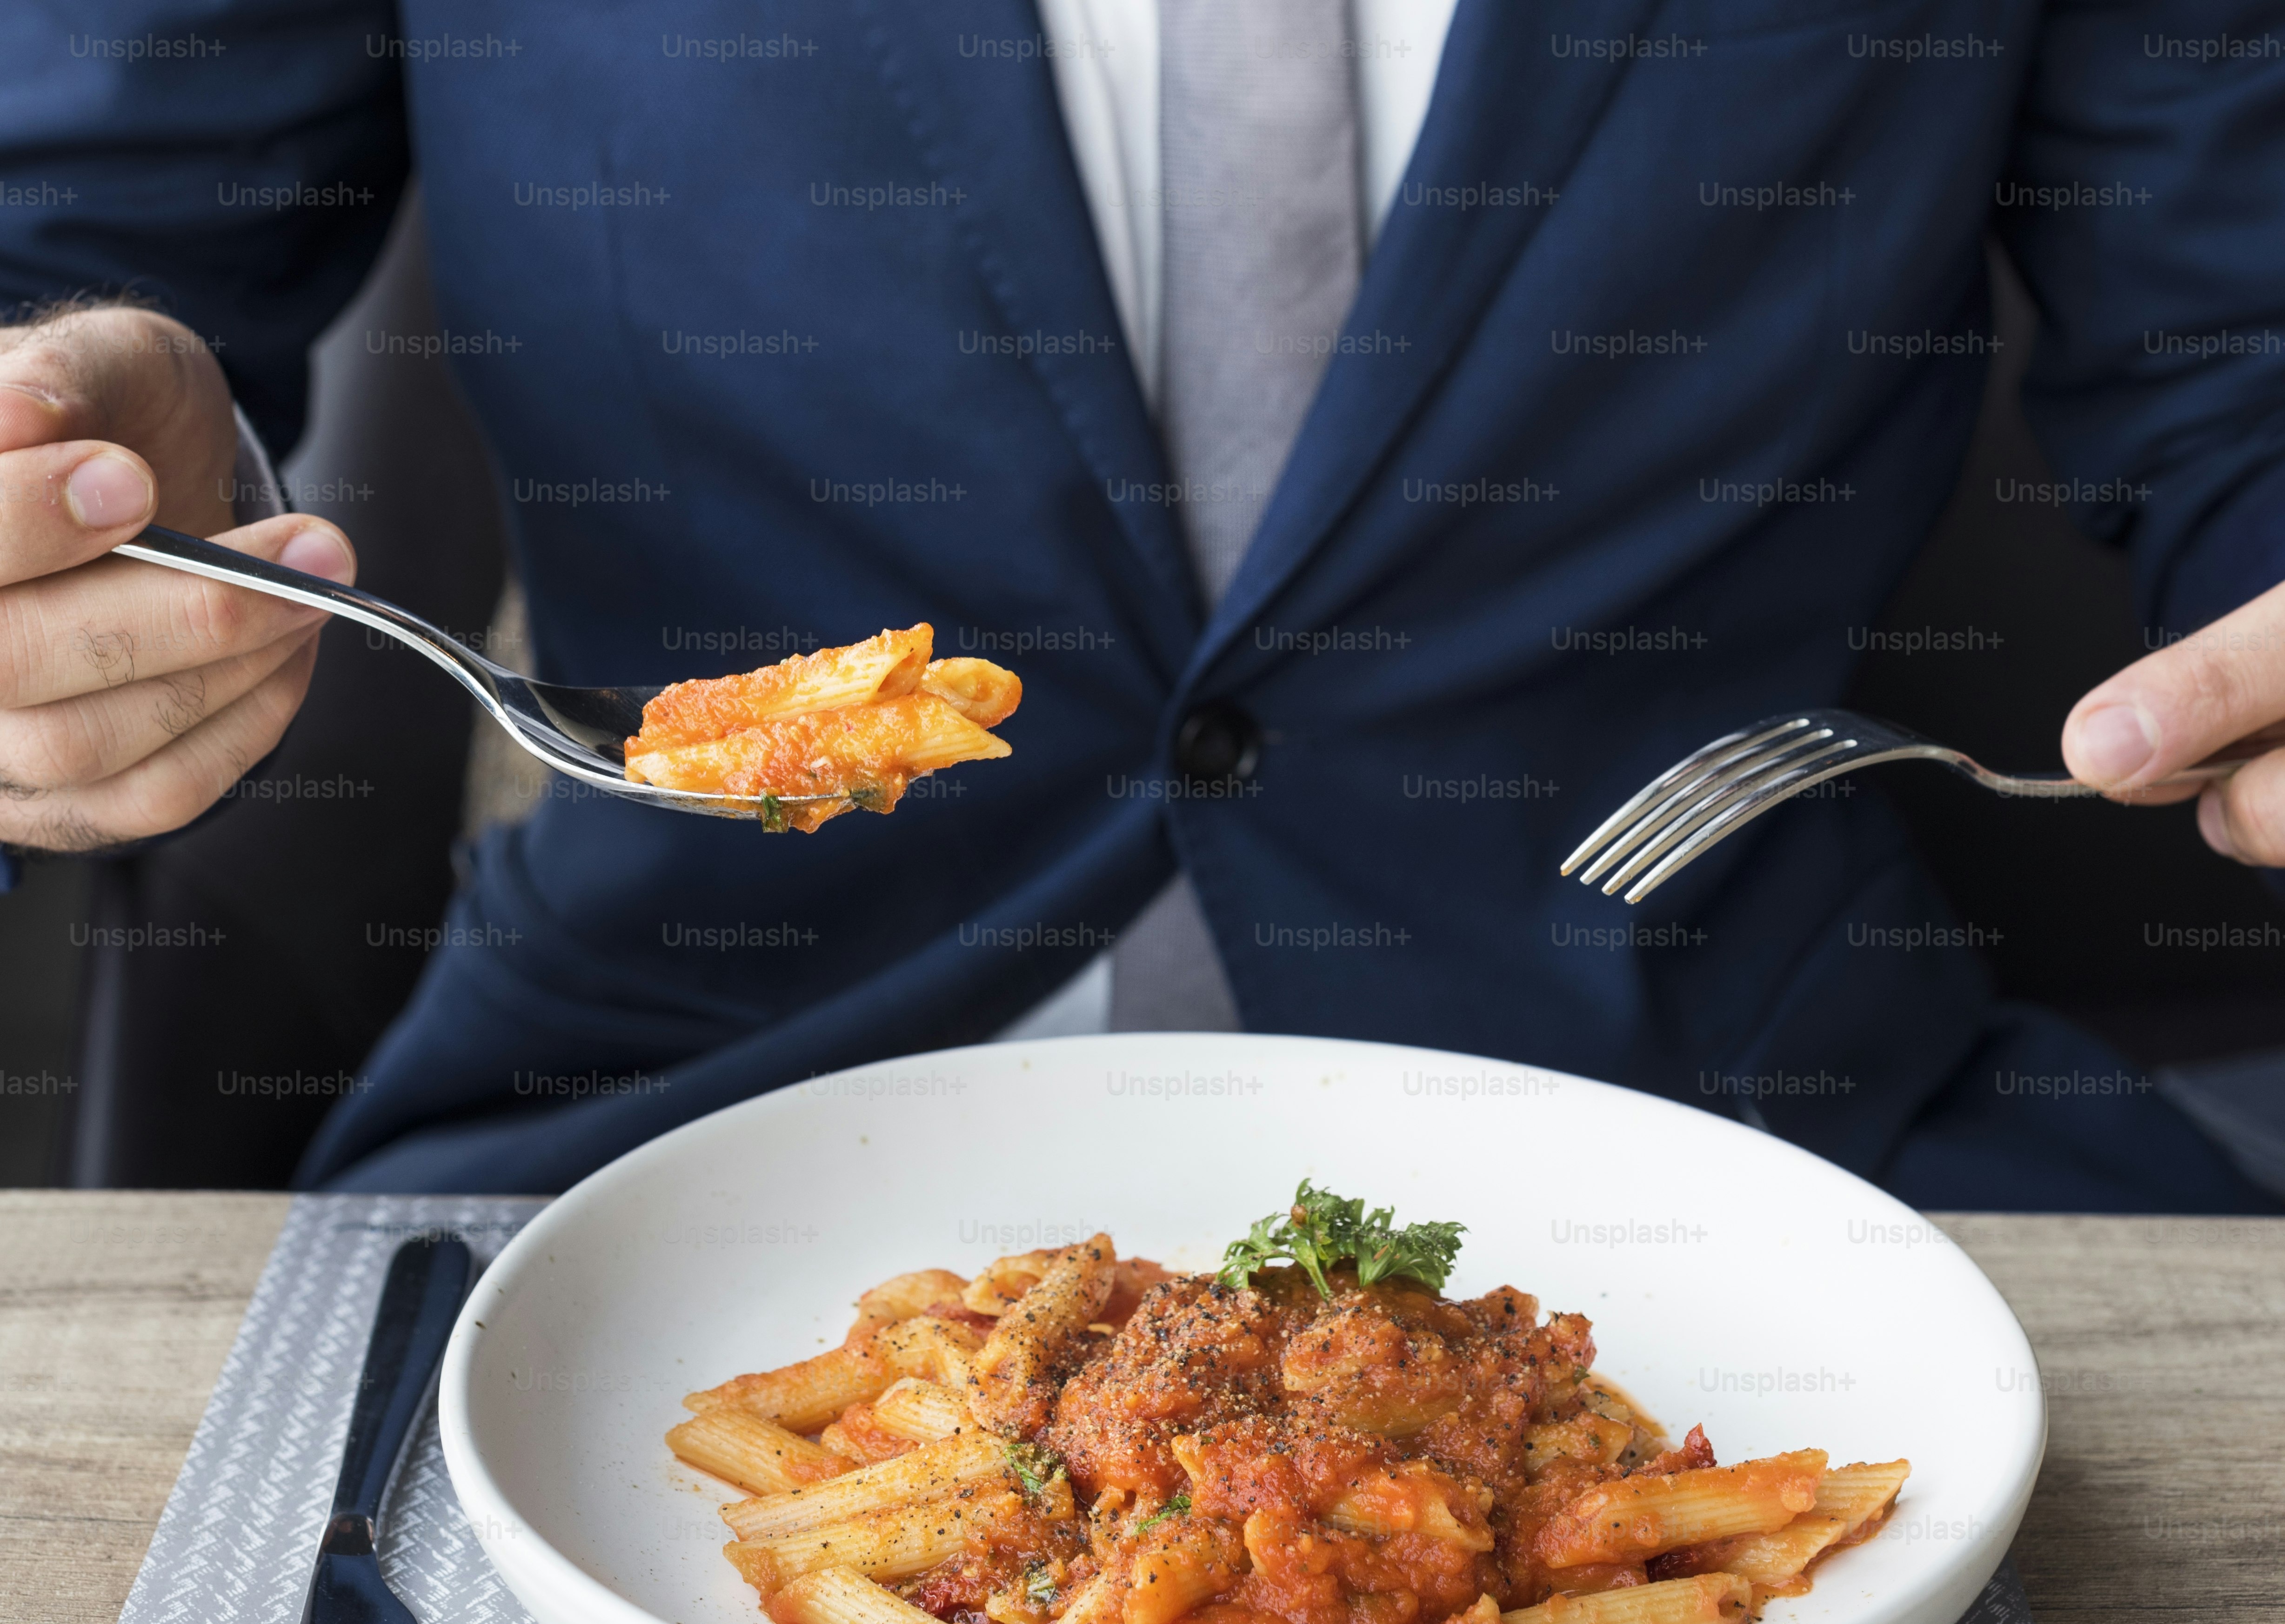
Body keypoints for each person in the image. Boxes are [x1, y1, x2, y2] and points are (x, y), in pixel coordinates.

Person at [0, 2, 2278, 1211]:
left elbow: (2237, 355)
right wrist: (58, 479)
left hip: (1744, 1128)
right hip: (661, 1126)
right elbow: (70, 246)